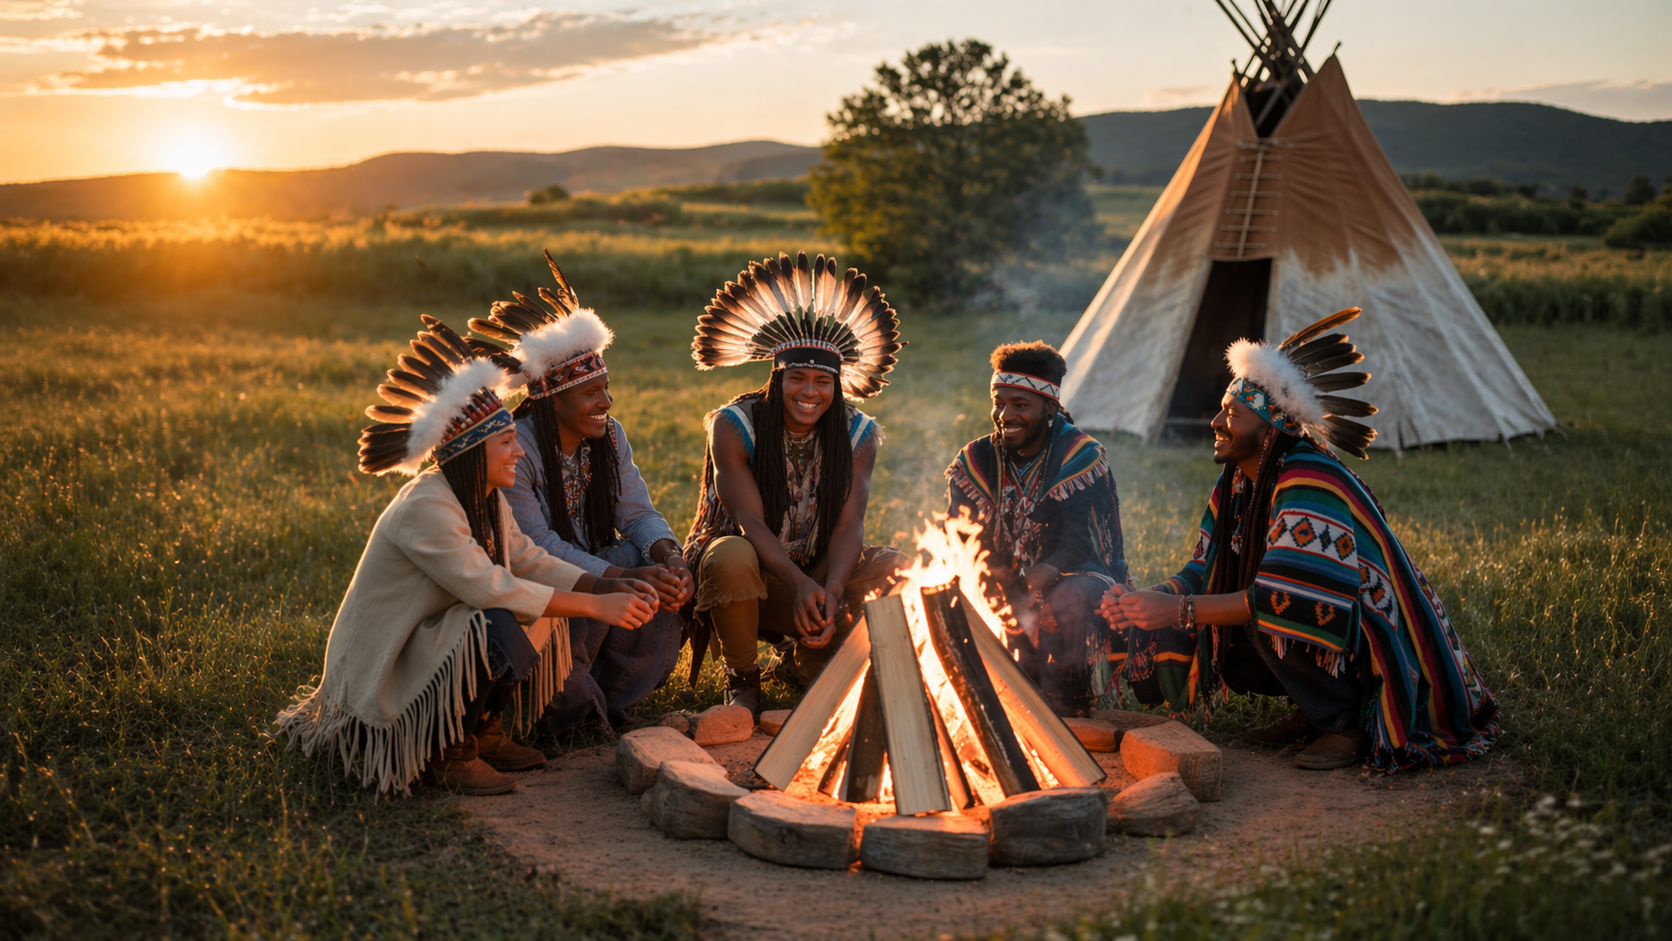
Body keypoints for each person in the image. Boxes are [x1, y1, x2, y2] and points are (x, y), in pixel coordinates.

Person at [273, 315, 658, 796]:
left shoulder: (481, 496)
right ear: (475, 454)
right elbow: (489, 586)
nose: (518, 452)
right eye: (506, 443)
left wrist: (605, 584)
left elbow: (528, 558)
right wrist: (595, 604)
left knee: (533, 604)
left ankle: (482, 732)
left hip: (430, 638)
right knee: (497, 619)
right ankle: (449, 753)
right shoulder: (427, 505)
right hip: (386, 667)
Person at [1102, 308, 1500, 771]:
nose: (1215, 421)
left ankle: (1347, 721)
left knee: (1268, 611)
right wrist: (1146, 600)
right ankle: (1315, 713)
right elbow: (1204, 571)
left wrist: (1179, 610)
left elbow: (1293, 596)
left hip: (1376, 644)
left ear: (1270, 426)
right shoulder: (1236, 484)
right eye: (1221, 409)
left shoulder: (1310, 479)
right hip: (1322, 626)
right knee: (1228, 620)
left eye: (1232, 413)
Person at [469, 252, 688, 736]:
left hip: (592, 567)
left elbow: (638, 513)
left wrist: (669, 557)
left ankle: (613, 701)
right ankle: (567, 711)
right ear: (552, 398)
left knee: (645, 559)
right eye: (591, 392)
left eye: (606, 388)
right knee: (619, 572)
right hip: (537, 583)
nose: (605, 402)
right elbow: (537, 549)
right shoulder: (516, 448)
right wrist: (615, 579)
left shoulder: (610, 437)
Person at [684, 251, 907, 713]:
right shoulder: (735, 424)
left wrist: (830, 588)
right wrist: (801, 582)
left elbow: (850, 525)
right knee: (730, 554)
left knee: (898, 567)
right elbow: (748, 520)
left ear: (838, 385)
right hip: (744, 575)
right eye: (797, 379)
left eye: (823, 381)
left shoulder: (858, 434)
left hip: (814, 571)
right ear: (777, 377)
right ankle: (742, 677)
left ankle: (806, 662)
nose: (810, 392)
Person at [946, 341, 1130, 717]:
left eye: (1020, 405)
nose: (1004, 415)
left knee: (1070, 596)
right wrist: (994, 584)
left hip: (1073, 573)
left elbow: (1080, 544)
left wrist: (1034, 581)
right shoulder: (976, 460)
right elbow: (961, 538)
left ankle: (1068, 692)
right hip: (1004, 577)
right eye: (999, 402)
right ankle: (1002, 687)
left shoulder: (1078, 456)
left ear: (1050, 407)